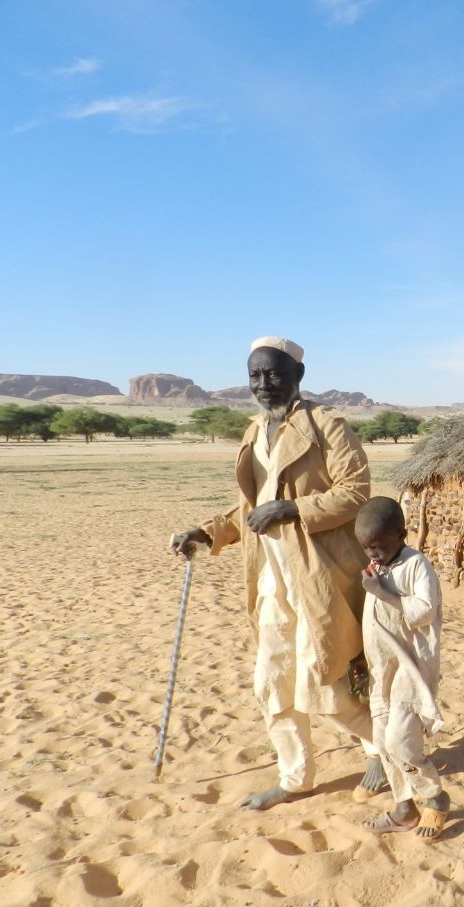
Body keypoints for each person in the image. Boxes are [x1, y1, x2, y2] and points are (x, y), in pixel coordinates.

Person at [170, 336, 388, 810]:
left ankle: (381, 750)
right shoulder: (253, 432)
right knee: (273, 680)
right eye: (255, 375)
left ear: (298, 376)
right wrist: (208, 533)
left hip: (318, 574)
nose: (264, 384)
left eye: (274, 374)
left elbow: (355, 493)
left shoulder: (328, 426)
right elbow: (252, 506)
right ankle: (295, 779)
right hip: (269, 578)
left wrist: (292, 509)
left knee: (325, 679)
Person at [354, 496, 450, 841]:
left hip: (411, 669)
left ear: (402, 534)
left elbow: (424, 610)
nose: (372, 554)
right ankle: (404, 808)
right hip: (383, 672)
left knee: (401, 741)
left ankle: (435, 800)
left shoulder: (416, 565)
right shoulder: (376, 568)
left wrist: (384, 592)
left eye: (378, 546)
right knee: (381, 741)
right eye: (366, 548)